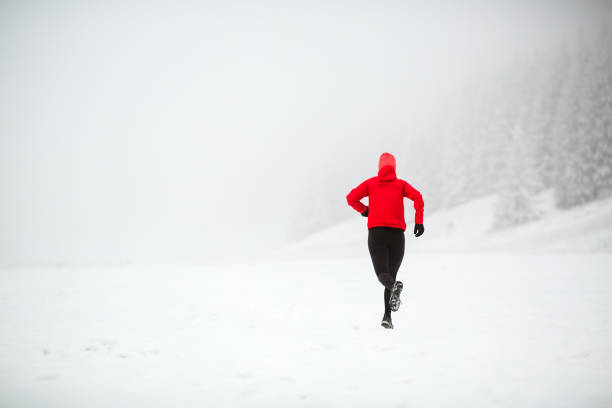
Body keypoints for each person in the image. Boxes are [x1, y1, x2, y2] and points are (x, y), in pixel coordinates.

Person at [346, 152, 424, 329]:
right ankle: (387, 317)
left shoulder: (371, 184)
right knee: (391, 275)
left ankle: (392, 297)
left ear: (379, 167)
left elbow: (351, 198)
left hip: (377, 234)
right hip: (397, 236)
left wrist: (365, 210)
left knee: (383, 275)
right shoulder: (401, 185)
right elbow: (418, 197)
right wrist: (419, 220)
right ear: (394, 167)